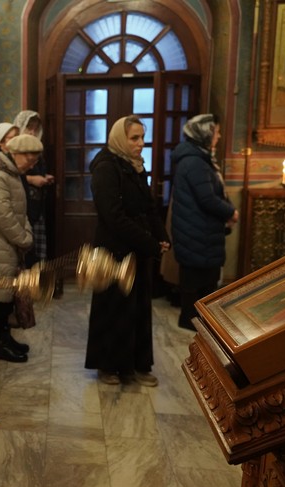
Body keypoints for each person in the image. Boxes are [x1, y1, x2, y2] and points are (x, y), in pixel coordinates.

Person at [84, 115, 169, 387]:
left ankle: (136, 366)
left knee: (138, 310)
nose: (141, 143)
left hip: (138, 248)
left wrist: (161, 236)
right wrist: (149, 243)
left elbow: (149, 207)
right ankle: (108, 366)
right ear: (121, 138)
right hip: (114, 251)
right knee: (114, 310)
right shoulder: (106, 167)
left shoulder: (135, 166)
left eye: (143, 137)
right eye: (134, 138)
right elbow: (113, 216)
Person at [170, 114, 237, 331]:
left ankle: (197, 321)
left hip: (198, 230)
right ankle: (194, 323)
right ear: (205, 134)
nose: (219, 136)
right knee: (198, 282)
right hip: (196, 232)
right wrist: (231, 212)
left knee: (202, 280)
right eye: (216, 132)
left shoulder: (197, 158)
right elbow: (207, 199)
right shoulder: (194, 162)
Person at [0, 133, 42, 363]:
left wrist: (26, 233)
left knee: (6, 297)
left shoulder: (10, 173)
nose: (32, 166)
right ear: (17, 154)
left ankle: (6, 338)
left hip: (6, 245)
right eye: (30, 160)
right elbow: (3, 216)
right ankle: (0, 344)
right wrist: (23, 238)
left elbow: (20, 212)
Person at [12, 110, 55, 267]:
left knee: (37, 251)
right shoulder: (15, 151)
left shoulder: (38, 150)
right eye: (29, 128)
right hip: (24, 206)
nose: (32, 132)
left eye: (35, 129)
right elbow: (15, 175)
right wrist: (32, 179)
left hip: (38, 206)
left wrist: (44, 177)